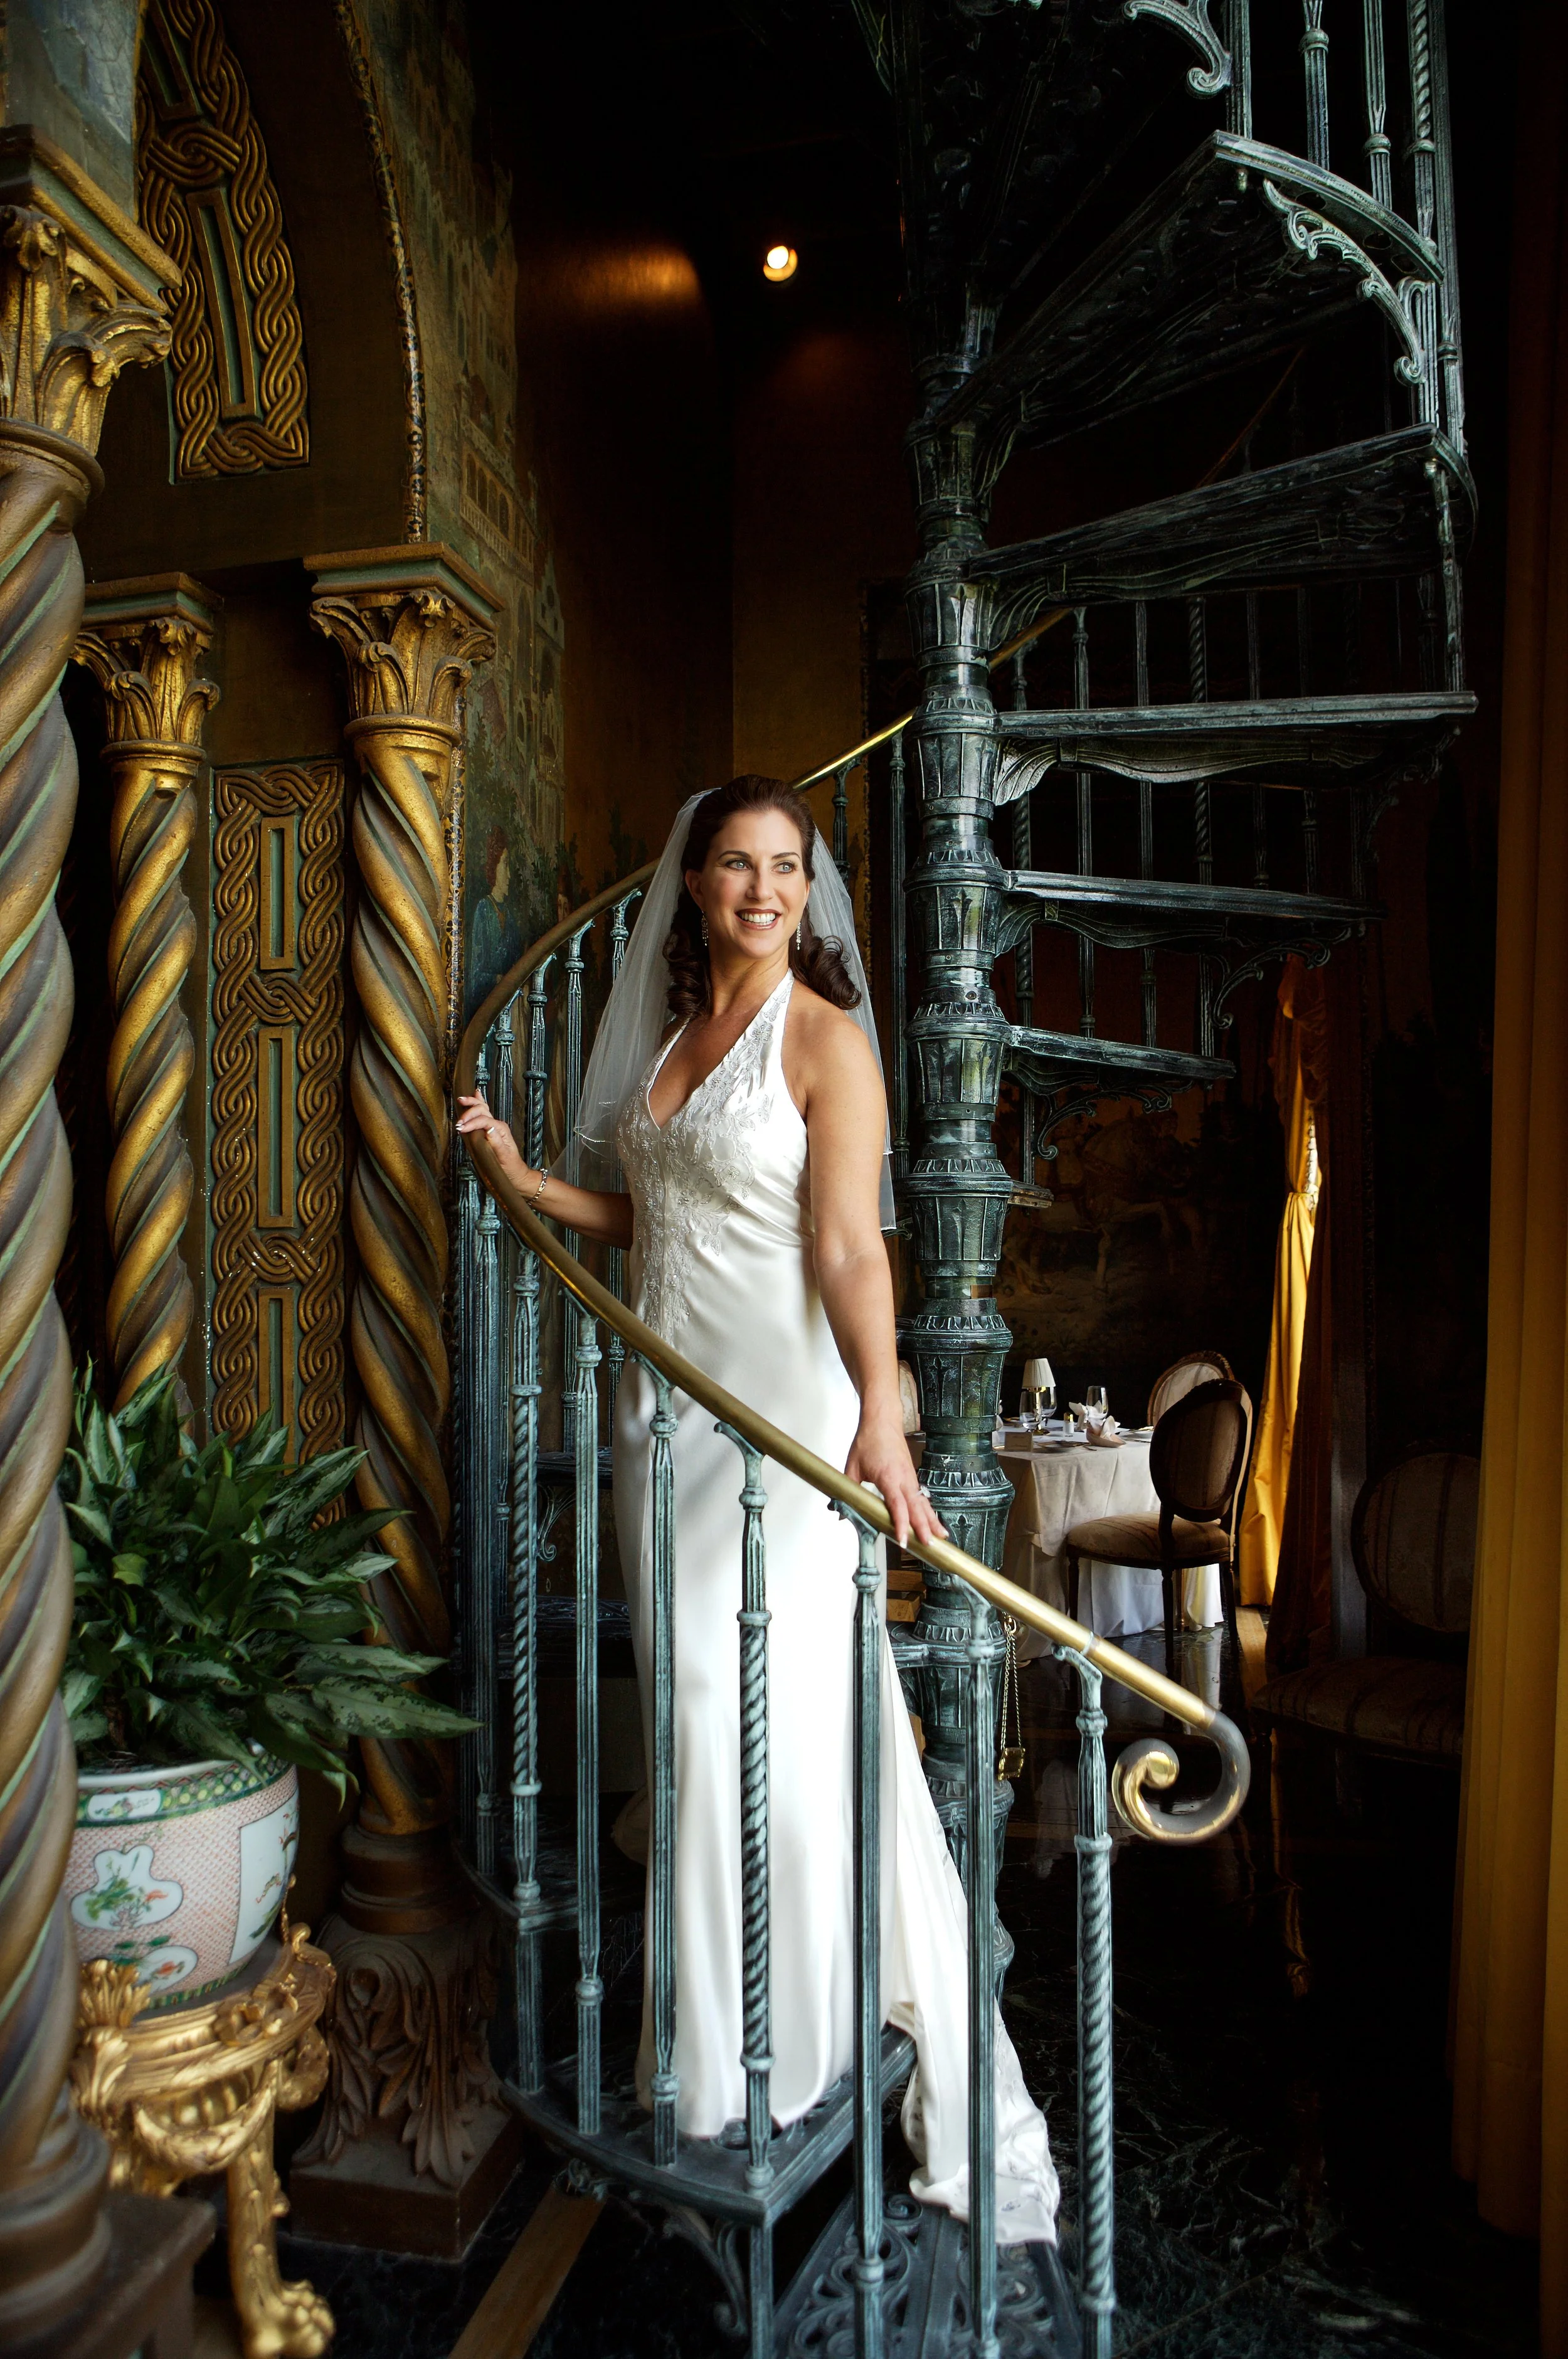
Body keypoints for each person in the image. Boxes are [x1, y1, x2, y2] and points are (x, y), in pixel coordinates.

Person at [456, 775, 1057, 2244]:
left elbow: (849, 1245)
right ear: (694, 881)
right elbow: (651, 1214)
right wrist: (525, 1177)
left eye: (786, 865)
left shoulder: (822, 1037)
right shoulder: (668, 1041)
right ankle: (717, 2044)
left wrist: (877, 1403)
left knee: (768, 1708)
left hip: (777, 1417)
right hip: (654, 1419)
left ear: (806, 886)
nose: (762, 888)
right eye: (735, 863)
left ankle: (776, 2048)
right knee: (692, 1715)